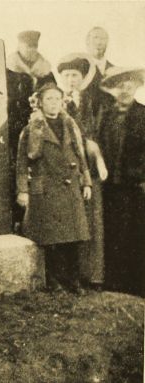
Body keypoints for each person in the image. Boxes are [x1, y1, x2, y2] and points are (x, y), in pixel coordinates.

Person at [16, 83, 92, 293]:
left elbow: (80, 155)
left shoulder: (70, 125)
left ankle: (74, 280)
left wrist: (86, 181)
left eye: (57, 99)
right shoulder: (31, 130)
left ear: (62, 102)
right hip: (47, 189)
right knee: (52, 239)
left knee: (73, 237)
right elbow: (22, 162)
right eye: (49, 99)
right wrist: (22, 190)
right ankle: (54, 280)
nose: (53, 103)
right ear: (39, 103)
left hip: (70, 187)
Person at [57, 54, 108, 289]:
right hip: (67, 171)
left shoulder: (92, 102)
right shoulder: (54, 103)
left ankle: (94, 276)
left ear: (82, 79)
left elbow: (98, 130)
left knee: (93, 221)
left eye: (75, 76)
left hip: (90, 170)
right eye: (66, 76)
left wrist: (94, 149)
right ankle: (72, 275)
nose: (71, 80)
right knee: (71, 221)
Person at [98, 67, 145, 296]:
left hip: (135, 185)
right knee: (113, 230)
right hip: (109, 185)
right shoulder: (105, 115)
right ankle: (114, 282)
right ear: (114, 89)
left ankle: (136, 285)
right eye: (121, 86)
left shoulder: (143, 114)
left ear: (137, 87)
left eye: (130, 85)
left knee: (136, 232)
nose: (125, 90)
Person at [7, 31, 57, 231]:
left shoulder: (46, 72)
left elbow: (53, 97)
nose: (31, 50)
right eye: (27, 46)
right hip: (14, 129)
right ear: (19, 46)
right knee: (17, 170)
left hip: (40, 128)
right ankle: (18, 219)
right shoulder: (8, 69)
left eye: (34, 46)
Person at [84, 27, 115, 115]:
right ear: (87, 42)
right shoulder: (79, 69)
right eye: (95, 38)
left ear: (107, 43)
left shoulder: (115, 71)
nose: (99, 42)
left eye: (103, 39)